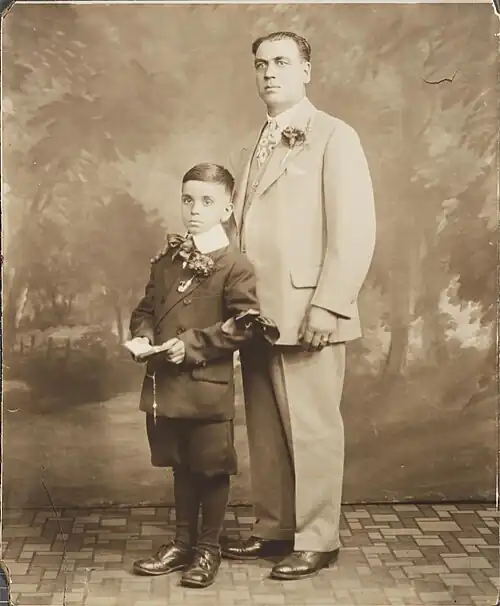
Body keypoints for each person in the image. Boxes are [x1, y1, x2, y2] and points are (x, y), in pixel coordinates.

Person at [222, 31, 376, 580]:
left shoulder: (335, 135)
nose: (269, 72)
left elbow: (354, 229)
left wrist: (329, 305)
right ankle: (275, 529)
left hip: (309, 310)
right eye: (261, 64)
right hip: (256, 314)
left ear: (306, 70)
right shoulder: (253, 144)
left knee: (313, 430)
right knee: (266, 432)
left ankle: (317, 539)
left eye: (282, 62)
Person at [128, 163, 278, 588]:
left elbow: (246, 325)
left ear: (227, 209)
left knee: (211, 468)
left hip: (207, 385)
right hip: (168, 384)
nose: (195, 210)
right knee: (181, 465)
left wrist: (191, 345)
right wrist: (143, 336)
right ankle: (182, 544)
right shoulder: (168, 261)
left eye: (207, 201)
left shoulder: (234, 264)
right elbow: (145, 310)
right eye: (188, 199)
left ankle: (208, 549)